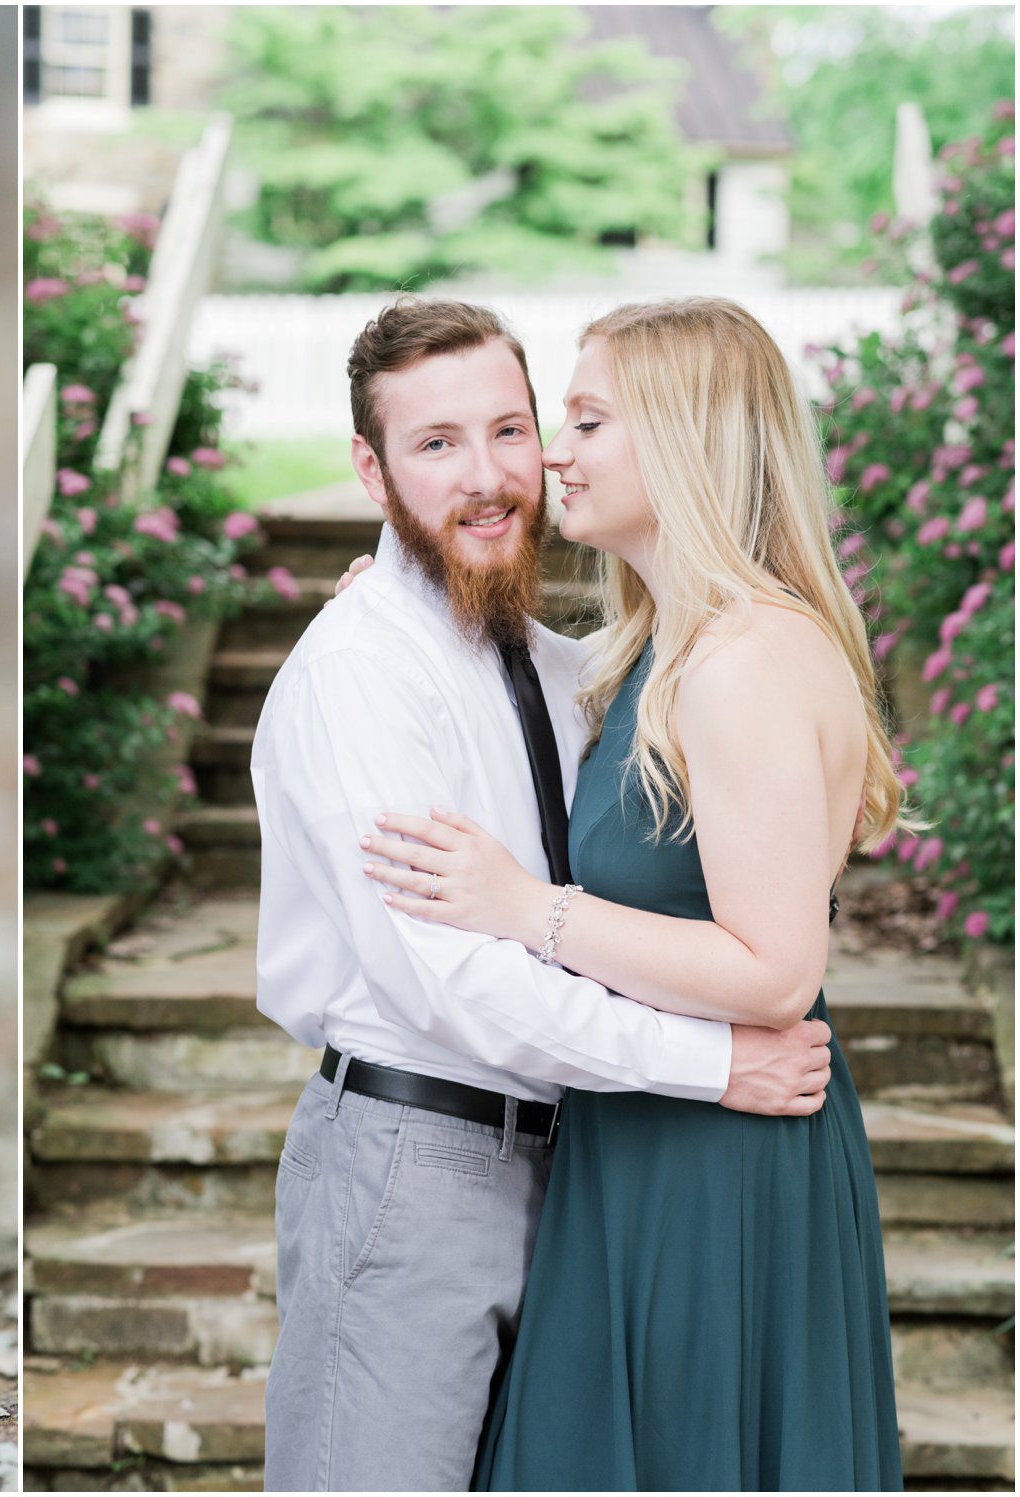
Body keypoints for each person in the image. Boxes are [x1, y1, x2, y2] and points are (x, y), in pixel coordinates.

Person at [251, 297, 839, 1494]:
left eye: (514, 431)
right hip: (416, 1162)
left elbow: (654, 747)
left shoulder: (557, 656)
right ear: (369, 467)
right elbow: (453, 984)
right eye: (435, 446)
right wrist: (712, 1063)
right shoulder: (362, 674)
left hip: (573, 1171)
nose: (492, 477)